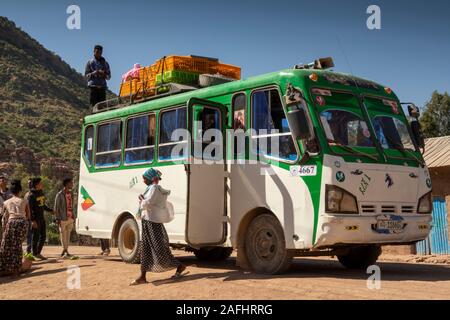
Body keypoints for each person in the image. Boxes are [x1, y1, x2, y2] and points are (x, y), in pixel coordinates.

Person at [130, 168, 187, 286]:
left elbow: (148, 203)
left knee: (159, 249)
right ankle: (142, 276)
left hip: (152, 223)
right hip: (148, 222)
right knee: (145, 249)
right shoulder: (152, 188)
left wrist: (141, 199)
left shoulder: (154, 188)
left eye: (144, 177)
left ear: (150, 178)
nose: (143, 180)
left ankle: (180, 266)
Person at [0, 180, 29, 277]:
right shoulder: (24, 201)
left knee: (5, 246)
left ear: (11, 192)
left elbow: (4, 217)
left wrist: (5, 229)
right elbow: (28, 215)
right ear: (20, 191)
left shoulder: (6, 202)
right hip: (22, 223)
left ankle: (4, 268)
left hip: (11, 222)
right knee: (17, 246)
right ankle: (16, 270)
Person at [28, 177, 53, 260]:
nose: (42, 184)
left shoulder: (41, 193)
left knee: (43, 236)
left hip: (42, 219)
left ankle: (38, 253)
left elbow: (43, 205)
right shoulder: (31, 195)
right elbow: (30, 209)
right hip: (35, 220)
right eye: (40, 183)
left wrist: (50, 210)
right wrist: (32, 220)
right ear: (36, 185)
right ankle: (34, 253)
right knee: (35, 237)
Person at [54, 178, 76, 258]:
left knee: (68, 234)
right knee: (63, 235)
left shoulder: (71, 194)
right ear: (67, 184)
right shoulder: (59, 194)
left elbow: (72, 205)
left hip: (70, 217)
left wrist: (73, 216)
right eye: (71, 183)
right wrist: (57, 218)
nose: (72, 184)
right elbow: (56, 208)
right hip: (62, 218)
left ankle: (66, 250)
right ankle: (65, 250)